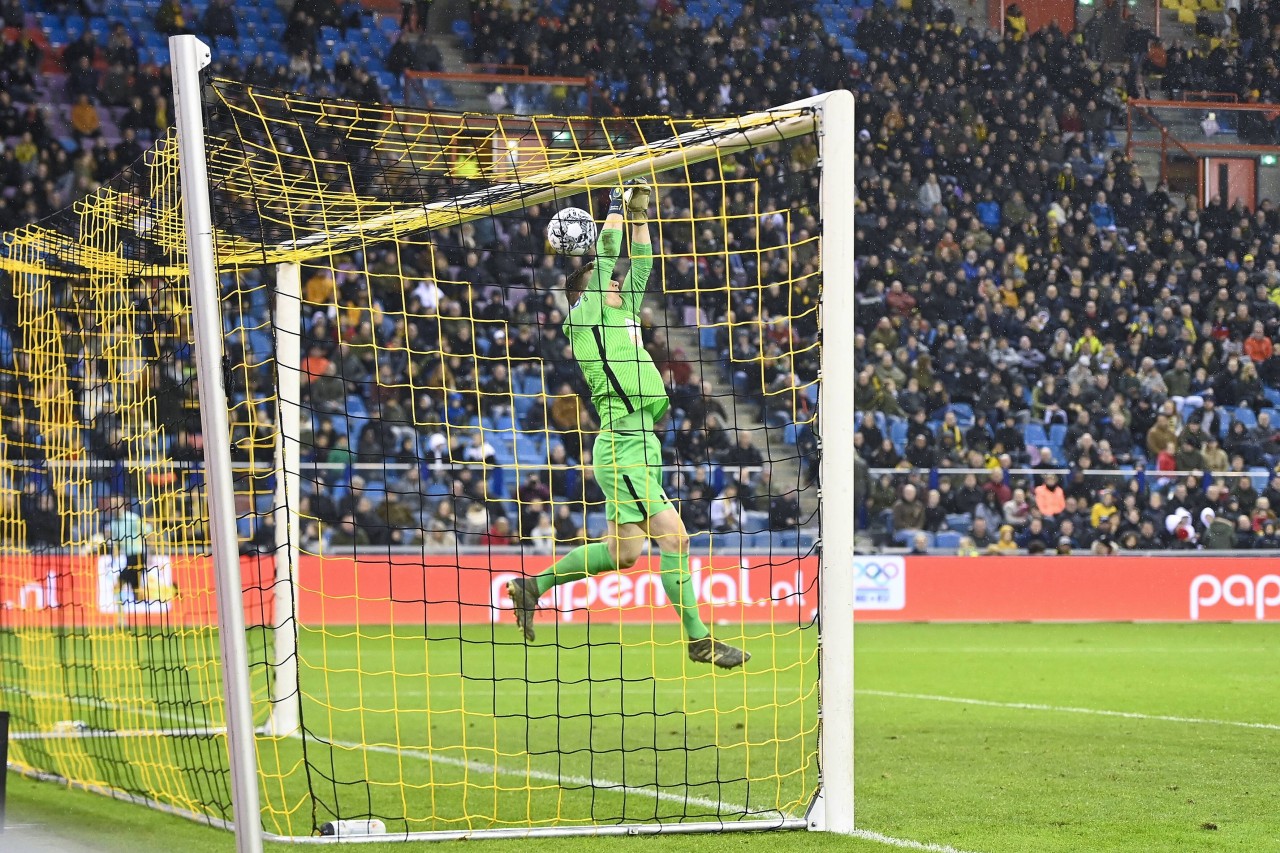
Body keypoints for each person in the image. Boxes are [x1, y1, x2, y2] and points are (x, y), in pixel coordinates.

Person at [506, 179, 748, 668]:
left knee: (622, 555)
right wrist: (614, 206)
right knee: (675, 539)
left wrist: (639, 216)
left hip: (641, 443)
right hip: (623, 445)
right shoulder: (586, 314)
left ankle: (533, 586)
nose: (617, 283)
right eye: (607, 281)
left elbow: (641, 264)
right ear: (586, 294)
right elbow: (609, 252)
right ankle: (700, 640)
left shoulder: (621, 315)